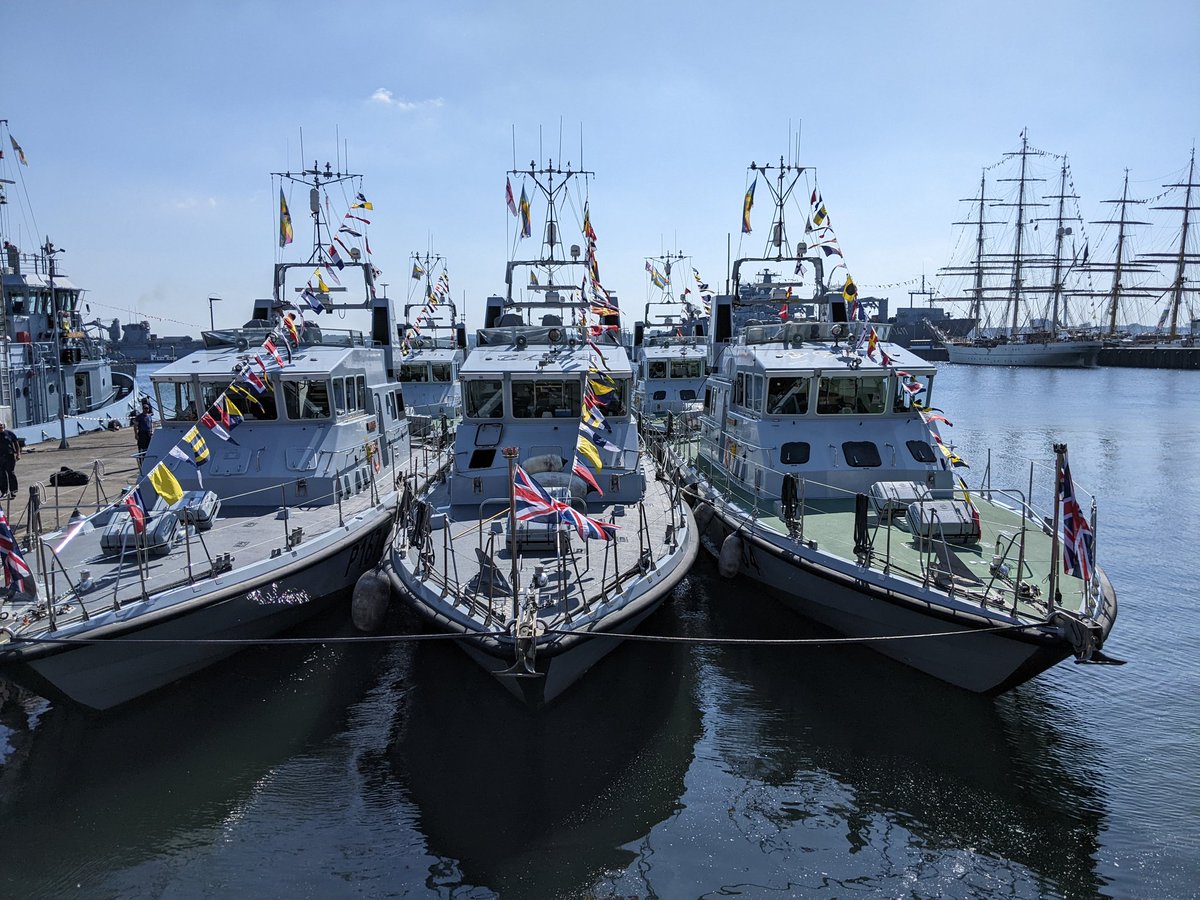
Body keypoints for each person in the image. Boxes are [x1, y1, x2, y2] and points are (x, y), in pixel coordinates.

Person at [0, 422, 20, 499]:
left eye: (1, 425)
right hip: (0, 457)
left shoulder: (9, 433)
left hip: (9, 456)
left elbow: (16, 443)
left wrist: (18, 454)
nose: (0, 427)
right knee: (2, 475)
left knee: (11, 473)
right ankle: (4, 492)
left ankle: (13, 491)